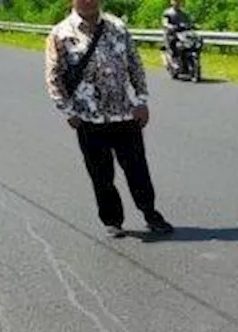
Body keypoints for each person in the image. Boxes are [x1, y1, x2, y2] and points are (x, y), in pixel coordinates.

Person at [46, 0, 174, 238]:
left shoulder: (117, 26)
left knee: (138, 169)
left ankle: (150, 213)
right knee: (101, 174)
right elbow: (54, 77)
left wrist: (142, 100)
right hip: (89, 119)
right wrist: (68, 112)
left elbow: (135, 65)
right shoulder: (60, 34)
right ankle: (112, 220)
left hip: (125, 114)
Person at [161, 0, 192, 67]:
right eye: (175, 1)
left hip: (182, 34)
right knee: (173, 42)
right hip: (171, 34)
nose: (177, 3)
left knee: (190, 42)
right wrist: (168, 25)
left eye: (179, 1)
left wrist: (192, 25)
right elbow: (165, 22)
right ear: (172, 2)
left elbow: (189, 22)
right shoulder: (168, 12)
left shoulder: (184, 13)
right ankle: (174, 59)